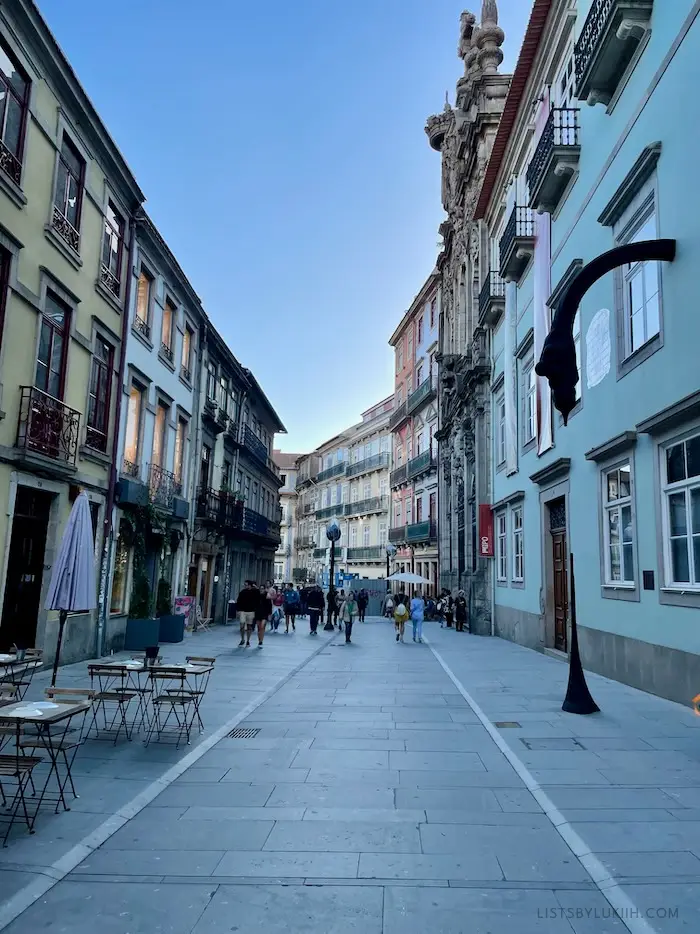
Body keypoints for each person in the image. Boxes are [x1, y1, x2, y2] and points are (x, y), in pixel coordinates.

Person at [236, 580, 258, 647]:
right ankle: (242, 639)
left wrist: (255, 587)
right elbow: (238, 601)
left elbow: (259, 593)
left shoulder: (254, 592)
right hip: (243, 611)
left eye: (246, 585)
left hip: (251, 611)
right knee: (242, 626)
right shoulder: (242, 592)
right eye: (244, 585)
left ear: (250, 585)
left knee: (249, 626)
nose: (245, 586)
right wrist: (237, 610)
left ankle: (248, 640)